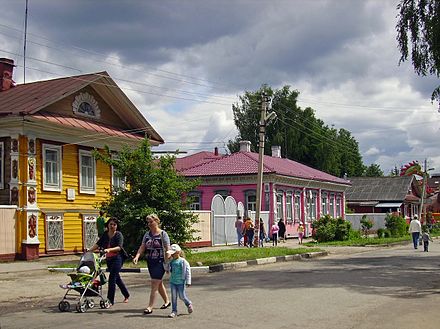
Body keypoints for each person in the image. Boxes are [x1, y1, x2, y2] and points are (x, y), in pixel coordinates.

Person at [133, 214, 171, 314]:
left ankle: (150, 306)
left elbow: (168, 248)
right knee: (158, 283)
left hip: (160, 261)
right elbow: (142, 246)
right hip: (150, 261)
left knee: (154, 283)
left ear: (156, 221)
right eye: (148, 222)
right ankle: (167, 301)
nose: (149, 224)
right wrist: (137, 256)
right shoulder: (147, 234)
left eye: (151, 222)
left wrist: (167, 263)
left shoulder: (163, 234)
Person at [89, 217, 130, 306]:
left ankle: (110, 300)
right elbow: (98, 244)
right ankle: (126, 295)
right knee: (117, 278)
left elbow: (119, 247)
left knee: (112, 278)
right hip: (109, 259)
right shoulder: (105, 234)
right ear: (107, 225)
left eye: (114, 225)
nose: (112, 226)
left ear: (117, 226)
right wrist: (89, 251)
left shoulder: (118, 234)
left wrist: (109, 250)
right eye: (110, 224)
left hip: (118, 258)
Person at [166, 244, 193, 318]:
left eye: (173, 253)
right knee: (173, 297)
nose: (171, 255)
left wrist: (188, 281)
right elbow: (166, 267)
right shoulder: (171, 261)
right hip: (173, 282)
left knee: (182, 296)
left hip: (181, 282)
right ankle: (174, 311)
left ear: (178, 252)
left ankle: (188, 303)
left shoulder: (183, 261)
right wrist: (167, 261)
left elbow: (188, 271)